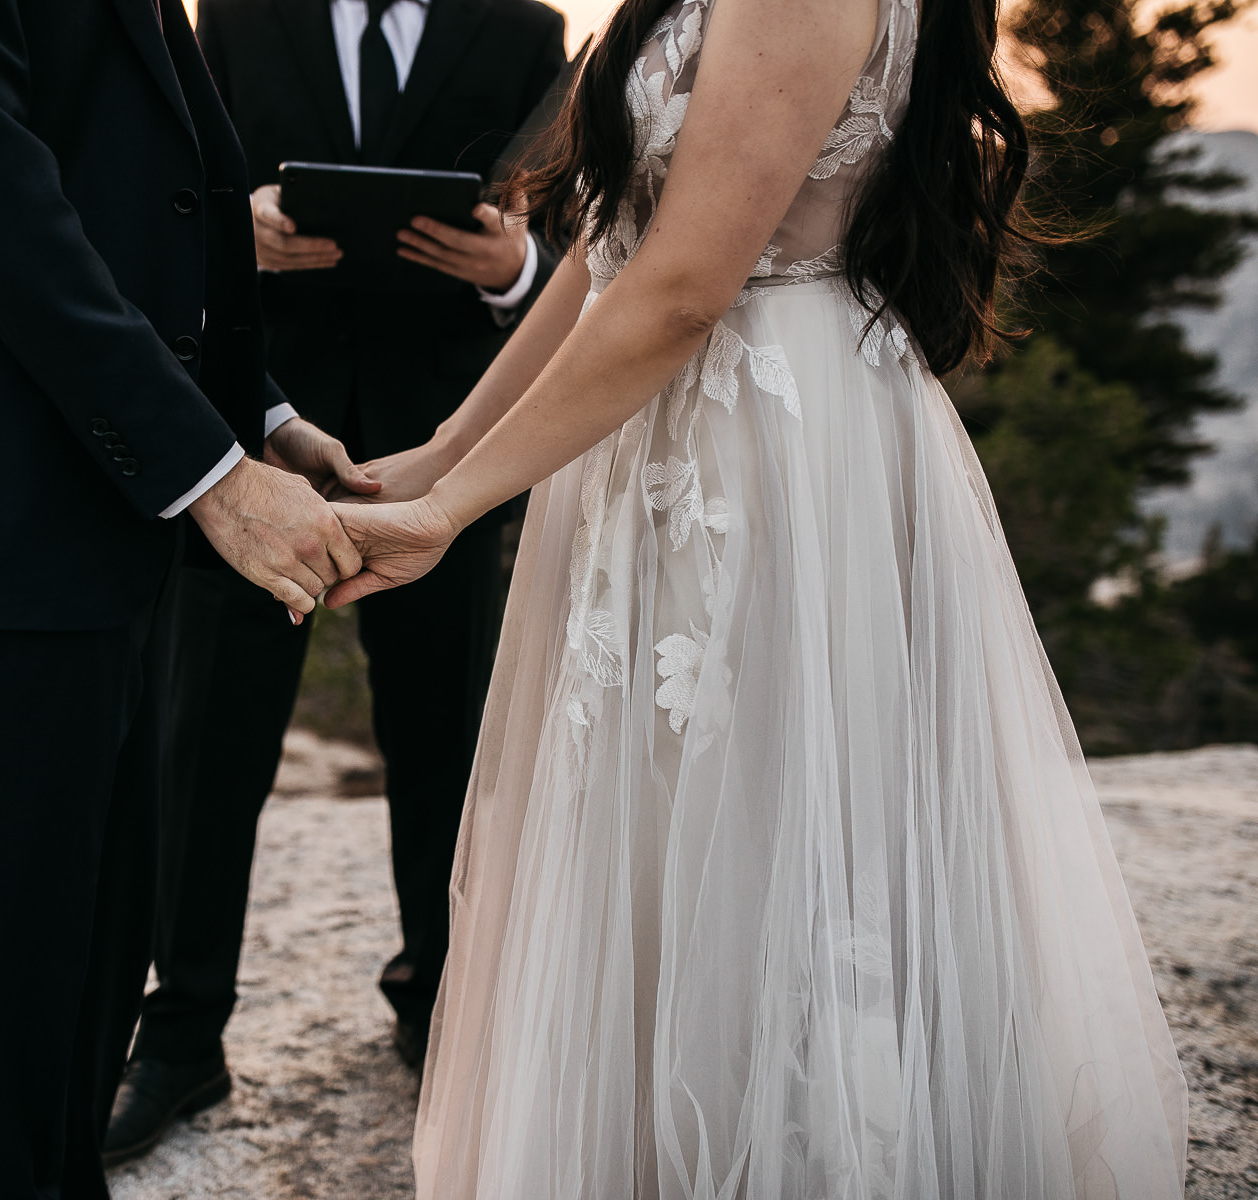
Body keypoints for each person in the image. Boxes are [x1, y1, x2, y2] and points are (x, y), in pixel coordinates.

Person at [327, 0, 1191, 1193]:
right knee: (661, 832)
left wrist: (454, 510)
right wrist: (446, 452)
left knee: (771, 832)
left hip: (770, 458)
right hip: (659, 429)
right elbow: (614, 248)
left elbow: (685, 285)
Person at [0, 0, 379, 1196]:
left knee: (87, 994)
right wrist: (214, 476)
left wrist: (252, 416)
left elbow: (139, 185)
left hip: (122, 508)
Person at [103, 0, 568, 1165]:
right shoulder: (235, 19)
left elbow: (581, 247)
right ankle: (182, 1034)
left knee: (445, 743)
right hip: (257, 457)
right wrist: (241, 228)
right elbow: (174, 203)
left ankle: (439, 1007)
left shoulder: (525, 32)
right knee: (205, 750)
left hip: (444, 463)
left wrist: (512, 269)